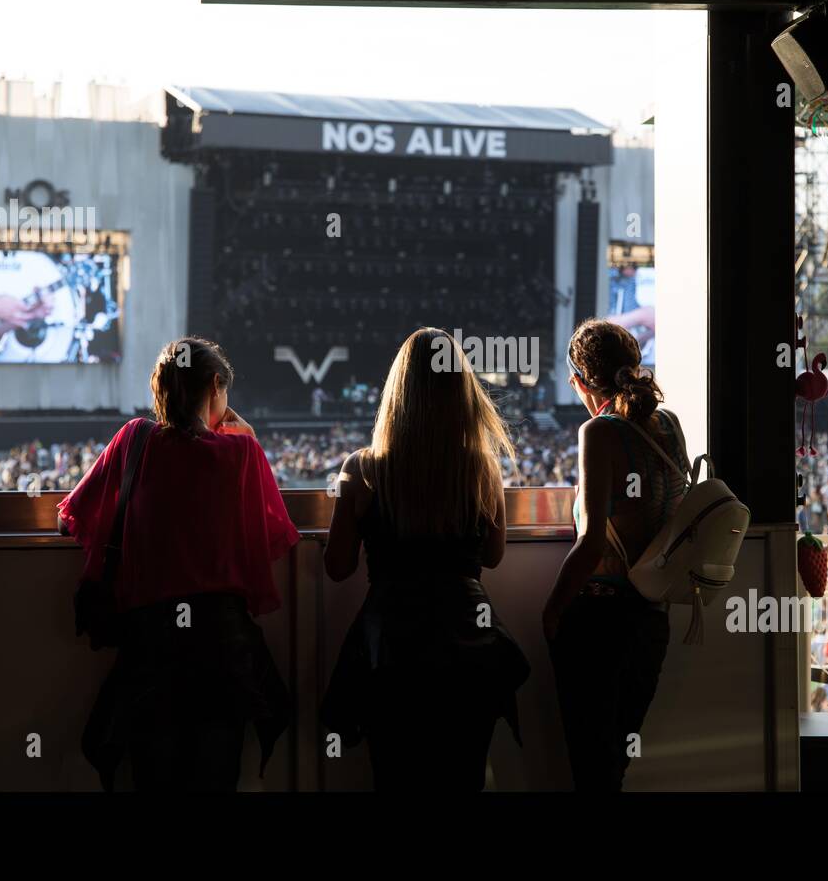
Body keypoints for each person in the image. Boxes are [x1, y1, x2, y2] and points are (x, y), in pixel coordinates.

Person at [57, 336, 299, 791]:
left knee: (153, 778)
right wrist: (244, 439)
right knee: (216, 777)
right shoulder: (242, 453)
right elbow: (274, 539)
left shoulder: (134, 439)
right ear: (215, 385)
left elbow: (69, 518)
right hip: (222, 647)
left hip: (150, 648)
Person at [321, 328, 529, 791]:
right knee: (464, 775)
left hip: (393, 641)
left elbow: (337, 568)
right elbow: (493, 556)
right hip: (468, 640)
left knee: (395, 775)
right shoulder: (482, 467)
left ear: (398, 393)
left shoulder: (361, 468)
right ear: (462, 392)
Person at [543, 318, 688, 791]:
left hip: (600, 620)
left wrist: (552, 610)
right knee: (612, 769)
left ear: (579, 382)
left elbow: (590, 544)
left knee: (590, 768)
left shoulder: (599, 432)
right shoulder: (669, 424)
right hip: (652, 617)